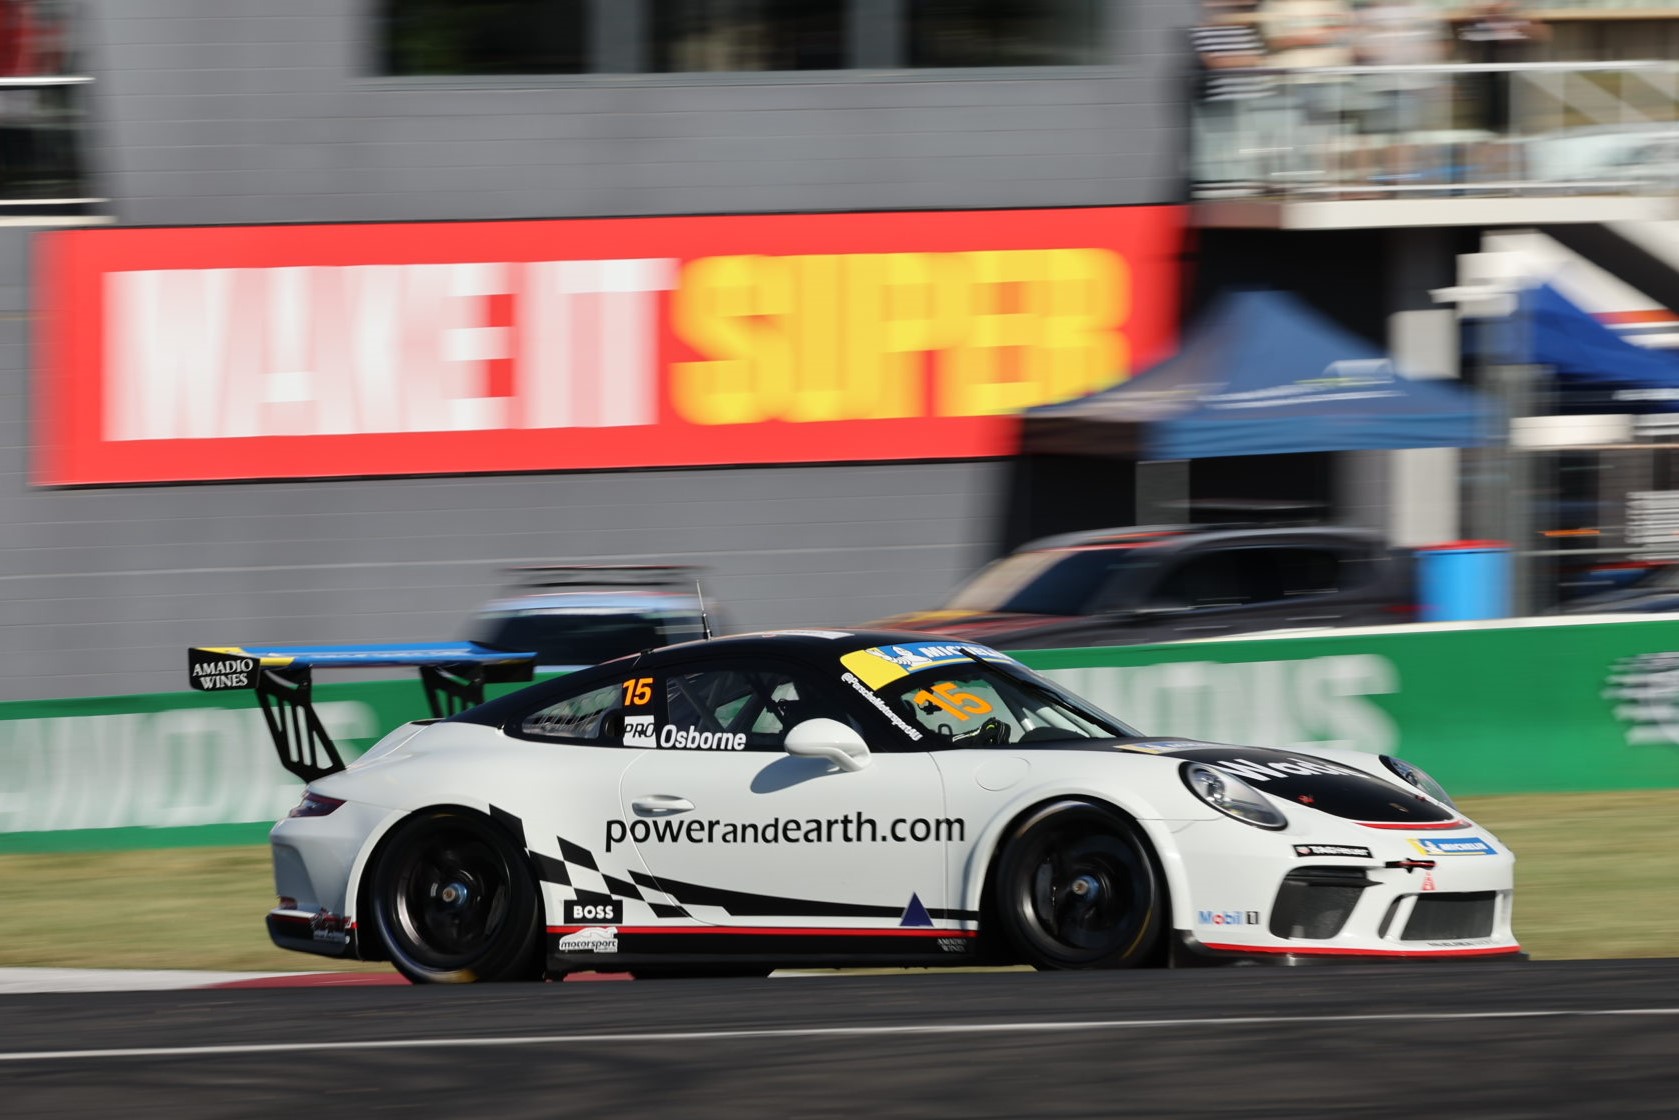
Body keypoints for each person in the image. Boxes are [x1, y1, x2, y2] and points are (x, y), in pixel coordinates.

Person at [1189, 0, 1282, 191]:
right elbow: (1215, 63)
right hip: (1223, 102)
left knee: (1263, 146)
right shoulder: (1199, 31)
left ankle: (1261, 184)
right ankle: (1228, 187)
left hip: (1257, 98)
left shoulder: (1241, 31)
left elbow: (1260, 58)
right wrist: (1243, 60)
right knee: (1223, 150)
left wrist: (1236, 61)